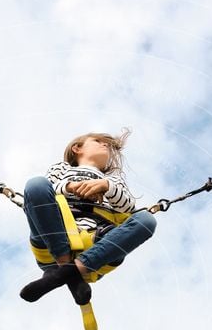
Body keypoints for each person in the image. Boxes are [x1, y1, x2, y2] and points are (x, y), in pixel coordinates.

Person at [20, 130, 157, 306]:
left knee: (146, 221)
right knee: (35, 185)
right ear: (77, 148)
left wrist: (106, 186)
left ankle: (64, 272)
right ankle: (69, 269)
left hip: (97, 241)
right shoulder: (61, 169)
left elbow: (128, 207)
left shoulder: (113, 180)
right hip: (54, 237)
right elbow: (44, 191)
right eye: (98, 141)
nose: (105, 144)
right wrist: (71, 187)